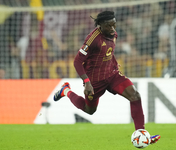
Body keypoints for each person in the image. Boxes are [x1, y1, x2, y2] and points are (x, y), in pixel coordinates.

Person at [53, 11, 160, 144]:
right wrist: (86, 82)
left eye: (114, 24)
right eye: (109, 26)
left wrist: (114, 63)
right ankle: (66, 91)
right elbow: (77, 61)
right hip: (94, 80)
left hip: (112, 74)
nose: (113, 28)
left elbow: (109, 52)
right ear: (101, 25)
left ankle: (142, 135)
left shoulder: (114, 34)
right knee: (89, 110)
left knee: (135, 96)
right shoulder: (92, 39)